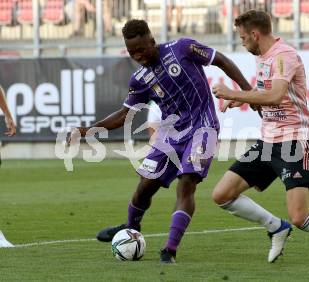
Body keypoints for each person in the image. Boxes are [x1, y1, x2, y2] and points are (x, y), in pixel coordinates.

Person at [68, 19, 252, 263]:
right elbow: (125, 115)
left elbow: (222, 61)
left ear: (152, 41)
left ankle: (170, 249)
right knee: (145, 186)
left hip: (203, 128)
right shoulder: (140, 78)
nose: (138, 55)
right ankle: (131, 229)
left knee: (186, 183)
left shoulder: (183, 49)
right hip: (169, 135)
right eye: (132, 52)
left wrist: (249, 92)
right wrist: (88, 130)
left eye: (141, 49)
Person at [211, 10, 309, 267]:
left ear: (255, 34)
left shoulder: (284, 56)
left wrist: (232, 91)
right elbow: (264, 92)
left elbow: (275, 95)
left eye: (243, 37)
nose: (242, 42)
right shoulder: (263, 57)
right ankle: (275, 227)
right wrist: (238, 100)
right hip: (268, 141)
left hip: (294, 141)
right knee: (222, 194)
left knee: (299, 216)